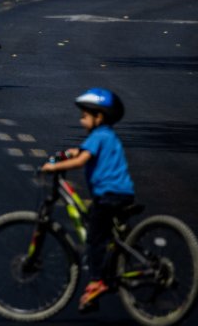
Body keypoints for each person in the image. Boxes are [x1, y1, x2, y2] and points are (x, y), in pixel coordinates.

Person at [41, 88, 135, 313]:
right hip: (122, 193)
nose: (81, 120)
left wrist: (53, 166)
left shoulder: (98, 136)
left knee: (93, 238)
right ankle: (110, 267)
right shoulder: (107, 136)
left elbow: (81, 160)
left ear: (99, 117)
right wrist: (70, 152)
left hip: (109, 196)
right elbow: (80, 152)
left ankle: (96, 281)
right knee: (106, 233)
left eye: (84, 116)